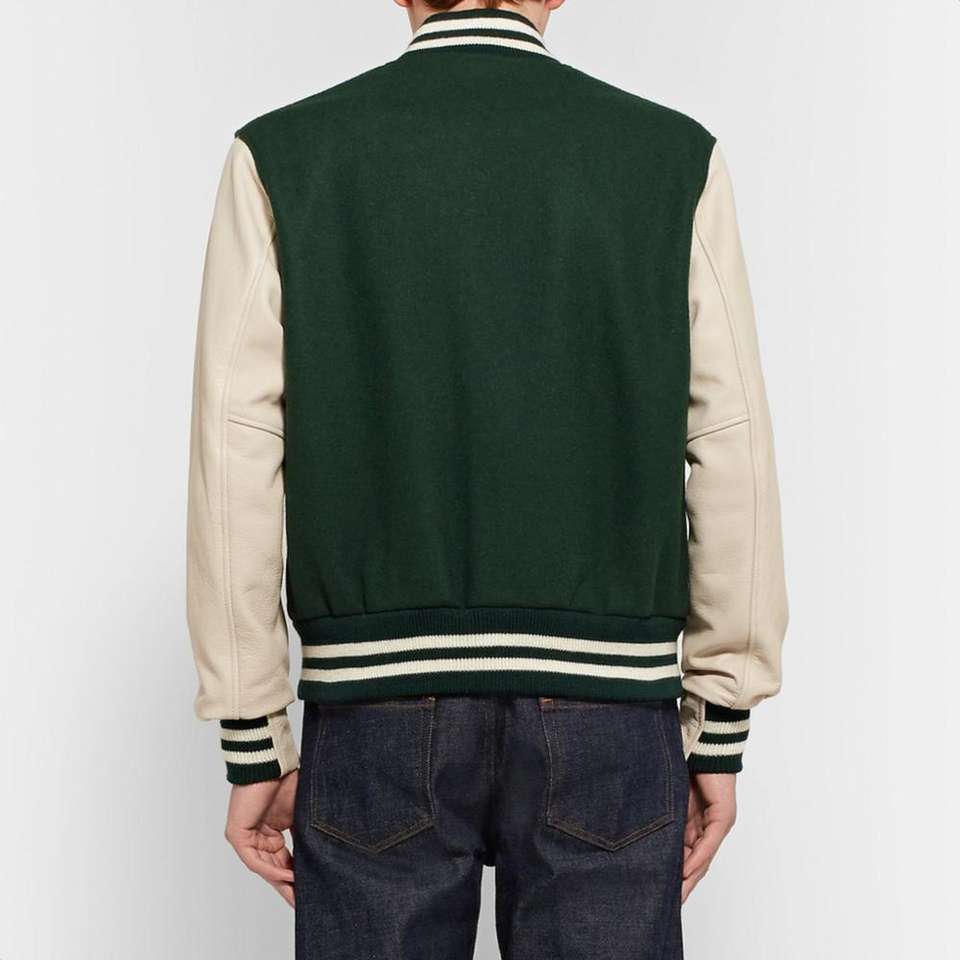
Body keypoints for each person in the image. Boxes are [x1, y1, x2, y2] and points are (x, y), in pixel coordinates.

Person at [186, 1, 788, 956]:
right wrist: (721, 714)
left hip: (376, 707)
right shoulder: (672, 159)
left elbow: (237, 447)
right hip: (608, 708)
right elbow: (730, 442)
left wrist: (252, 731)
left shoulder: (285, 156)